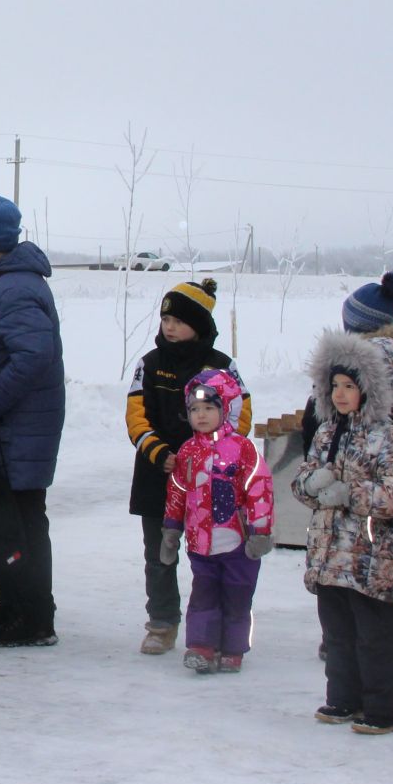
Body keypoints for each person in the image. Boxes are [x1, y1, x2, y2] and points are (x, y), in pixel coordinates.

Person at [292, 331, 393, 733]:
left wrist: (352, 493)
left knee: (375, 637)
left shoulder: (392, 437)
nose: (341, 394)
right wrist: (312, 485)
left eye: (350, 386)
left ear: (370, 389)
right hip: (330, 555)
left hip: (370, 556)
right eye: (335, 386)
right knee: (338, 634)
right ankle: (343, 698)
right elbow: (302, 480)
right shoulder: (327, 432)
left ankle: (385, 707)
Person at [0, 195, 66, 647]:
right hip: (16, 432)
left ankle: (33, 618)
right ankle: (17, 604)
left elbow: (33, 356)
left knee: (9, 527)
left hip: (12, 434)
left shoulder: (15, 287)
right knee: (15, 525)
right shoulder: (11, 280)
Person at [124, 278, 249, 656]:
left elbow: (241, 417)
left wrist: (209, 454)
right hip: (157, 475)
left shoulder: (222, 367)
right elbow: (135, 416)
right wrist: (160, 453)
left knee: (210, 556)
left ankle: (211, 625)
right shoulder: (149, 364)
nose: (170, 327)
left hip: (211, 483)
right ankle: (162, 622)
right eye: (165, 319)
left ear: (199, 324)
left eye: (179, 320)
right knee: (159, 554)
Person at [163, 368, 274, 673]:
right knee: (204, 595)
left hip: (239, 543)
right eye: (195, 409)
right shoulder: (187, 452)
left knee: (237, 596)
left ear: (226, 409)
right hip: (201, 543)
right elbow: (178, 490)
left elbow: (259, 488)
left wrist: (260, 530)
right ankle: (202, 646)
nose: (201, 415)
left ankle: (233, 648)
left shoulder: (243, 449)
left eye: (209, 408)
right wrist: (171, 529)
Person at [298, 272, 393, 463]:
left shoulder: (340, 368)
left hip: (342, 475)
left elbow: (314, 422)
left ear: (352, 326)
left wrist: (315, 465)